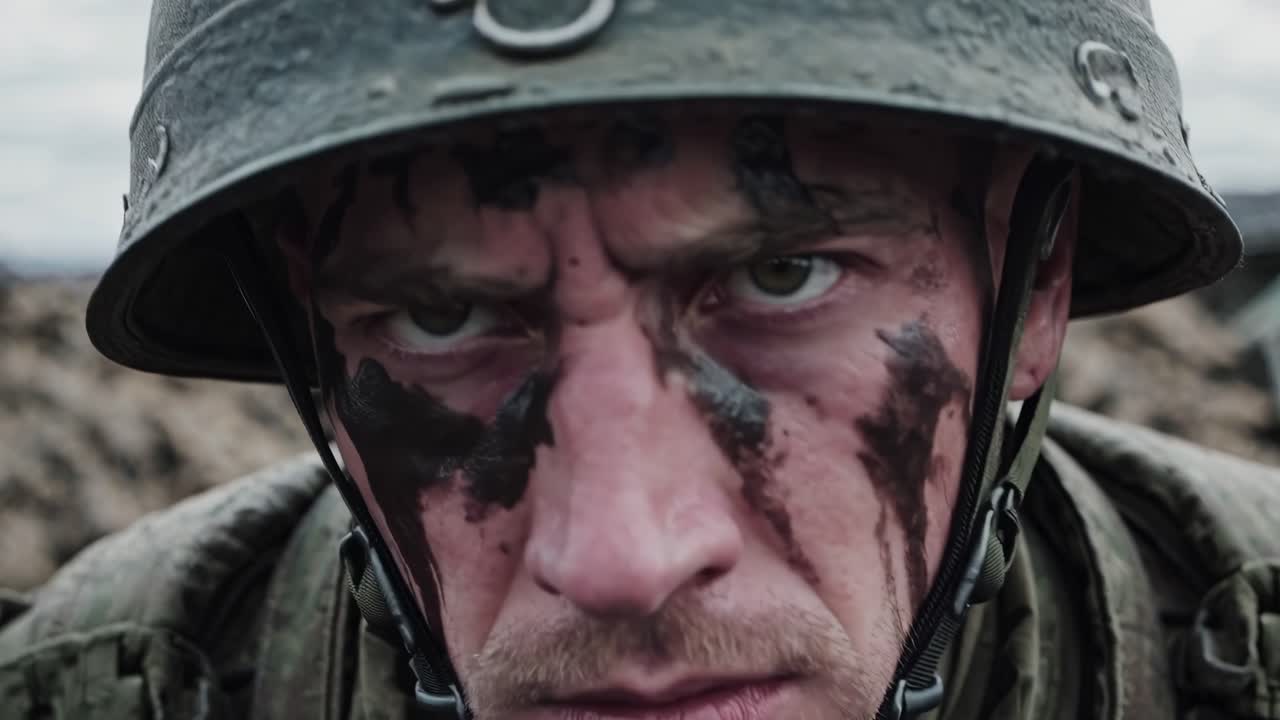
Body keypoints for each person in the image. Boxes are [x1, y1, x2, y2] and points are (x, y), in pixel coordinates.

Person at [2, 2, 1278, 719]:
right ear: (311, 343)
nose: (618, 558)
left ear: (1031, 279)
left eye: (781, 278)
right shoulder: (110, 688)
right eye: (440, 319)